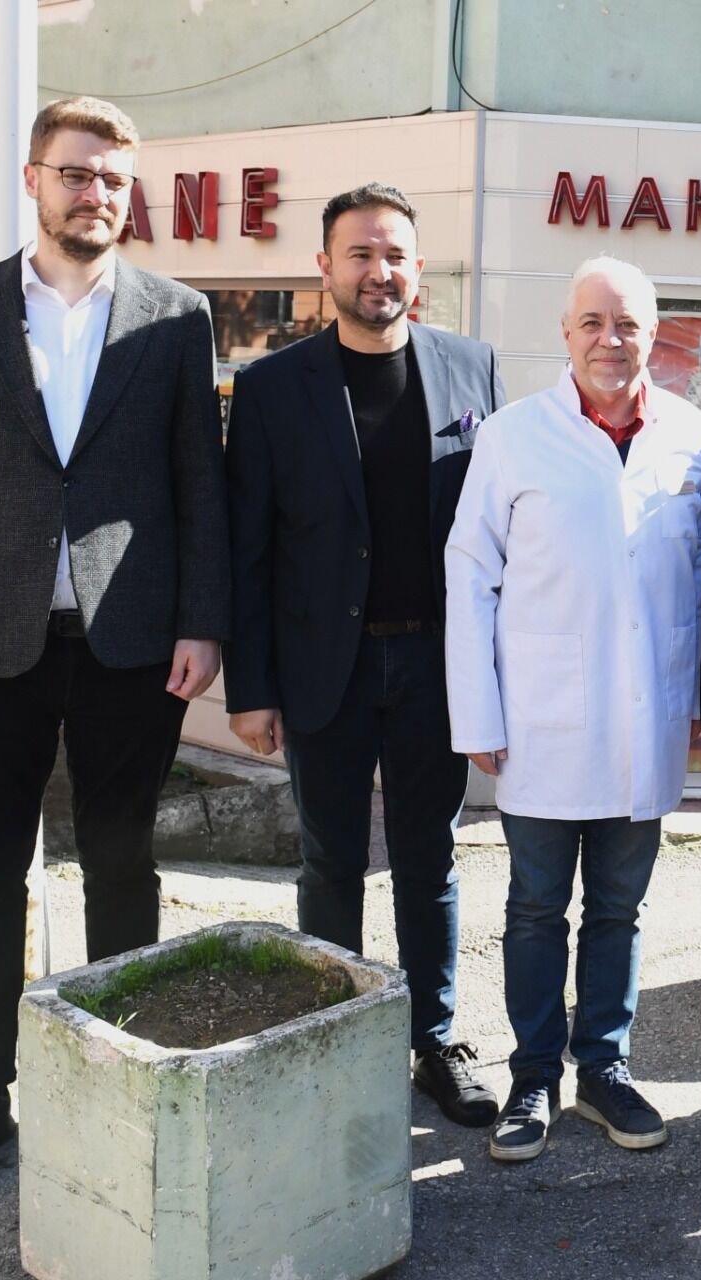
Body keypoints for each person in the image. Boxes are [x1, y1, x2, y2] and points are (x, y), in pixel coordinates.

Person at [0, 96, 230, 1197]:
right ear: (33, 180)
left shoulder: (176, 316)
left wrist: (203, 619)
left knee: (121, 865)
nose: (96, 193)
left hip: (133, 641)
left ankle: (119, 1090)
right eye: (77, 173)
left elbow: (199, 482)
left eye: (115, 178)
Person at [222, 183, 506, 1129]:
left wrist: (498, 680)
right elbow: (248, 548)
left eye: (394, 255)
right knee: (331, 861)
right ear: (325, 268)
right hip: (324, 670)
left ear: (418, 269)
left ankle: (436, 1040)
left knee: (430, 861)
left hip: (435, 666)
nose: (378, 271)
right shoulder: (272, 388)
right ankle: (332, 1035)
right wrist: (251, 688)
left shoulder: (471, 368)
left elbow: (502, 530)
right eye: (359, 254)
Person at [444, 256, 701, 1164]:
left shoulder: (691, 436)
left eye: (628, 323)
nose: (611, 339)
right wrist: (478, 715)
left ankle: (604, 1068)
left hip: (647, 722)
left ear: (654, 333)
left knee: (618, 911)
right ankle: (533, 1076)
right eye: (593, 322)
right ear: (566, 333)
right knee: (534, 908)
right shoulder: (514, 436)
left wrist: (700, 700)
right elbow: (470, 575)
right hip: (542, 721)